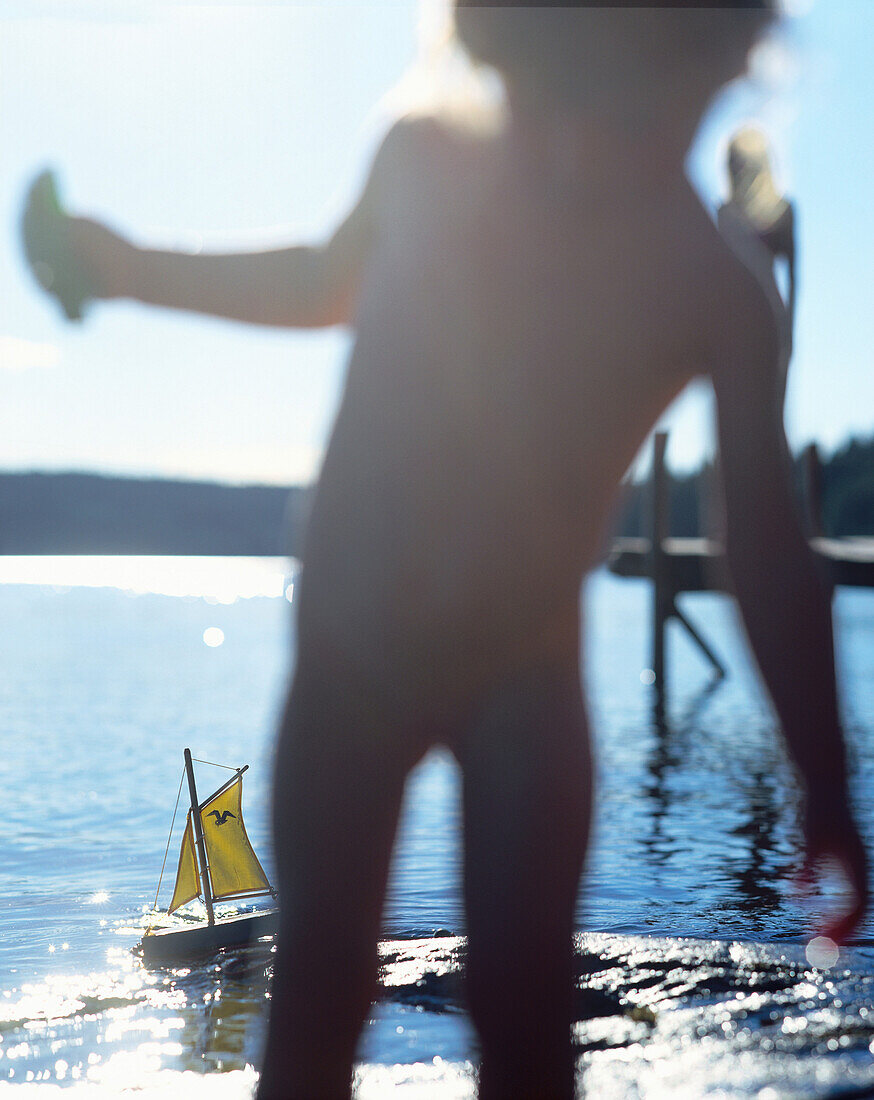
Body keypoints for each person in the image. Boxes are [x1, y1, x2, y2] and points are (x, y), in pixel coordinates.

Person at [22, 3, 868, 1097]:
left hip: (524, 678)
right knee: (320, 988)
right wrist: (124, 266)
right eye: (559, 100)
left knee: (524, 1014)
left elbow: (766, 544)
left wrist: (826, 776)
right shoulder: (426, 157)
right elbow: (314, 284)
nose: (581, 154)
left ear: (710, 77)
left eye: (649, 110)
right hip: (351, 656)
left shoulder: (708, 283)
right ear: (507, 49)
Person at [718, 126, 797, 404]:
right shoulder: (726, 214)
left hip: (761, 316)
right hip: (740, 317)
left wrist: (788, 330)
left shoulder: (782, 211)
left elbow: (793, 279)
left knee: (769, 408)